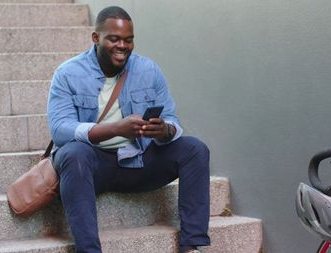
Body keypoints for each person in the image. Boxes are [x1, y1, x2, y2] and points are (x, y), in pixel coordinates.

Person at [47, 6, 210, 253]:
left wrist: (164, 130)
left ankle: (192, 246)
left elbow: (172, 119)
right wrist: (115, 129)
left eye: (128, 40)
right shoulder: (68, 73)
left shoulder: (148, 70)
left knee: (195, 149)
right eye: (114, 39)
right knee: (72, 154)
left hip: (139, 161)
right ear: (96, 38)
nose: (122, 46)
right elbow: (60, 129)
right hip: (93, 167)